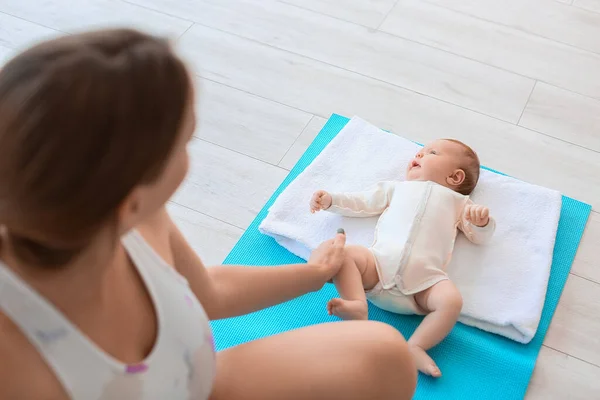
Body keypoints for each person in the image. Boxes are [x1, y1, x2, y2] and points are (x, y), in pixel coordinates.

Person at [0, 29, 417, 400]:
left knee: (384, 355)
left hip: (196, 383)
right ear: (129, 202)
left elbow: (206, 291)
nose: (188, 155)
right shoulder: (17, 361)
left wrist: (312, 275)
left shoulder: (134, 217)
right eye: (185, 143)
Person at [310, 139, 496, 378]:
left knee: (451, 301)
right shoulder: (397, 188)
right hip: (376, 267)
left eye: (431, 152)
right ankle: (357, 304)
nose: (418, 154)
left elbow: (478, 237)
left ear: (455, 177)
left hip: (424, 286)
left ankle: (416, 345)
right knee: (347, 254)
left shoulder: (460, 203)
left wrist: (481, 223)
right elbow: (362, 202)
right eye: (420, 151)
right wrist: (331, 200)